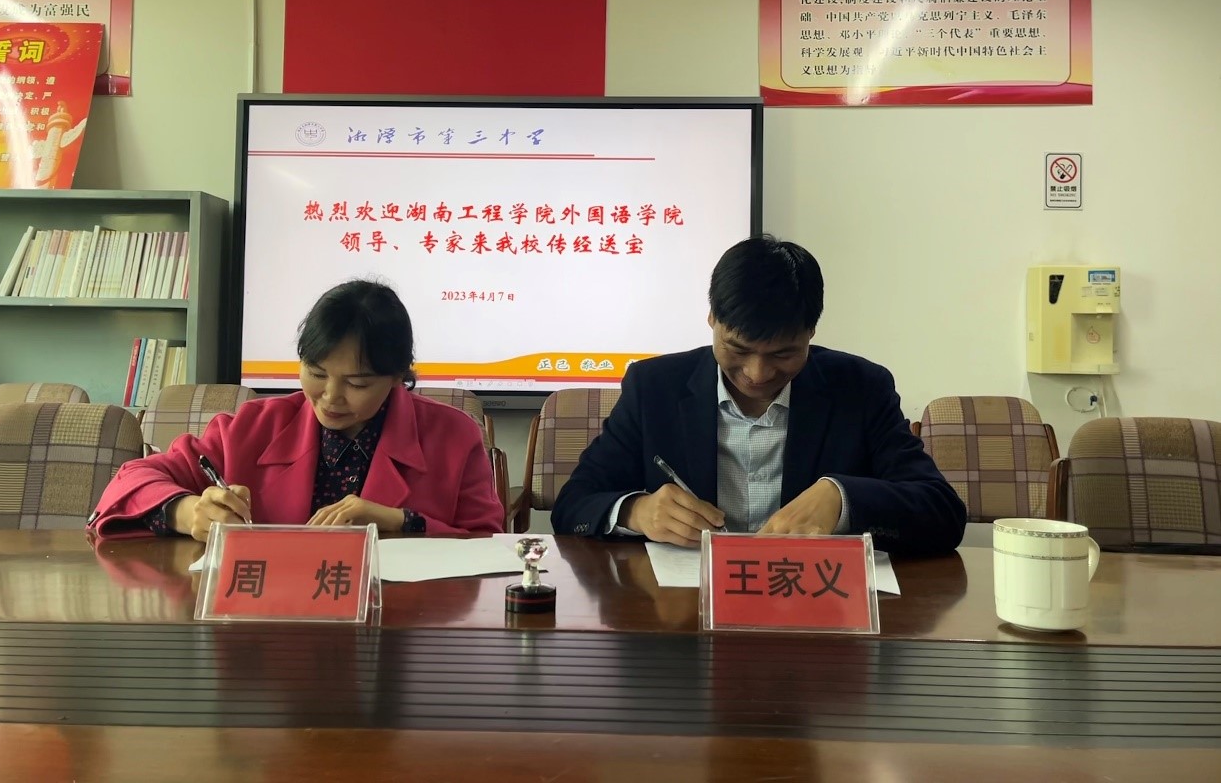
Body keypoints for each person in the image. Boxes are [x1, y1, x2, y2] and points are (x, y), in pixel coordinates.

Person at [550, 236, 966, 556]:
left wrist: (842, 499)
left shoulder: (860, 387)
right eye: (738, 349)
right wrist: (636, 511)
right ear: (712, 319)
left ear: (811, 332)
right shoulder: (655, 386)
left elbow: (942, 512)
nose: (757, 373)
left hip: (815, 607)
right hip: (684, 610)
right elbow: (574, 504)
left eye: (783, 354)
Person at [90, 279, 504, 540]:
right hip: (270, 622)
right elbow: (131, 480)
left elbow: (488, 544)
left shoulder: (454, 435)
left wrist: (400, 521)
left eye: (357, 384)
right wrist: (185, 511)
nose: (330, 397)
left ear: (398, 376)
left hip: (401, 629)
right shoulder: (253, 426)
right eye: (317, 373)